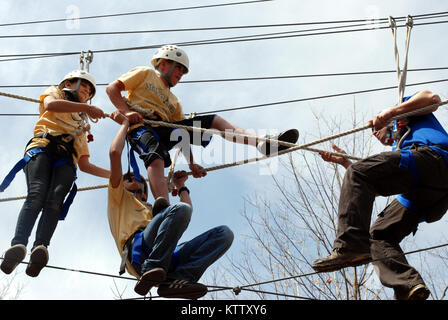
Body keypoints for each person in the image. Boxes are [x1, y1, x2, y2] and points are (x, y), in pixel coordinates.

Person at [106, 44, 299, 204]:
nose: (181, 74)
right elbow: (112, 88)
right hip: (141, 126)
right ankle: (163, 207)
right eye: (178, 68)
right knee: (155, 157)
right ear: (163, 64)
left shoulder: (174, 101)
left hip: (164, 128)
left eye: (183, 71)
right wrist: (127, 112)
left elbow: (181, 135)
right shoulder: (145, 73)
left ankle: (261, 143)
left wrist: (191, 162)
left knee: (213, 121)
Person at [312, 89, 448, 300]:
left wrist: (390, 112)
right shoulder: (400, 147)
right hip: (428, 194)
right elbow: (369, 188)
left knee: (358, 173)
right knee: (379, 234)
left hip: (434, 160)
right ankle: (408, 288)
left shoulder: (407, 113)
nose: (374, 132)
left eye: (376, 128)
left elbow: (432, 99)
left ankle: (350, 246)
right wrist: (345, 164)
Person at [108, 110, 234, 299]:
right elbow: (115, 153)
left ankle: (178, 279)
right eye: (131, 179)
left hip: (166, 258)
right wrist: (126, 124)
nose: (136, 180)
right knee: (177, 210)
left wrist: (181, 187)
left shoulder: (152, 210)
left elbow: (187, 210)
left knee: (224, 234)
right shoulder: (118, 198)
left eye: (141, 181)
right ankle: (152, 267)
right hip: (141, 255)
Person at [0, 70, 109, 278]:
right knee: (37, 194)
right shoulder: (55, 93)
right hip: (43, 146)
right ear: (69, 83)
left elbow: (85, 164)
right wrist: (87, 107)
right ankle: (18, 244)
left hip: (67, 160)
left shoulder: (80, 124)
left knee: (54, 201)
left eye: (89, 93)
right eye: (84, 89)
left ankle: (40, 247)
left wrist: (114, 175)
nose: (86, 94)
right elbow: (50, 105)